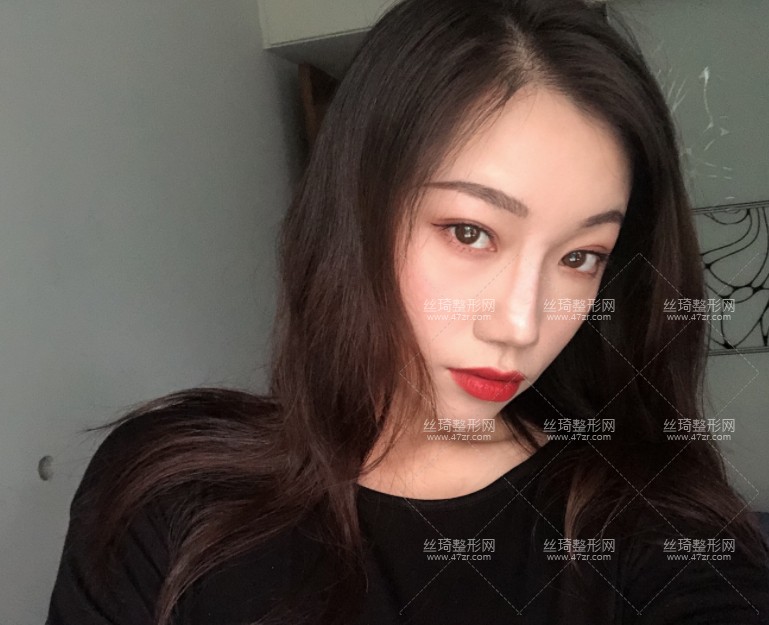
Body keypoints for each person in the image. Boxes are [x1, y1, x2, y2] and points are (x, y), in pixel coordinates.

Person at [46, 0, 769, 624]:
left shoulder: (644, 523)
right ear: (355, 216)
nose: (519, 325)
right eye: (470, 232)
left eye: (580, 256)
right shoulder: (169, 492)